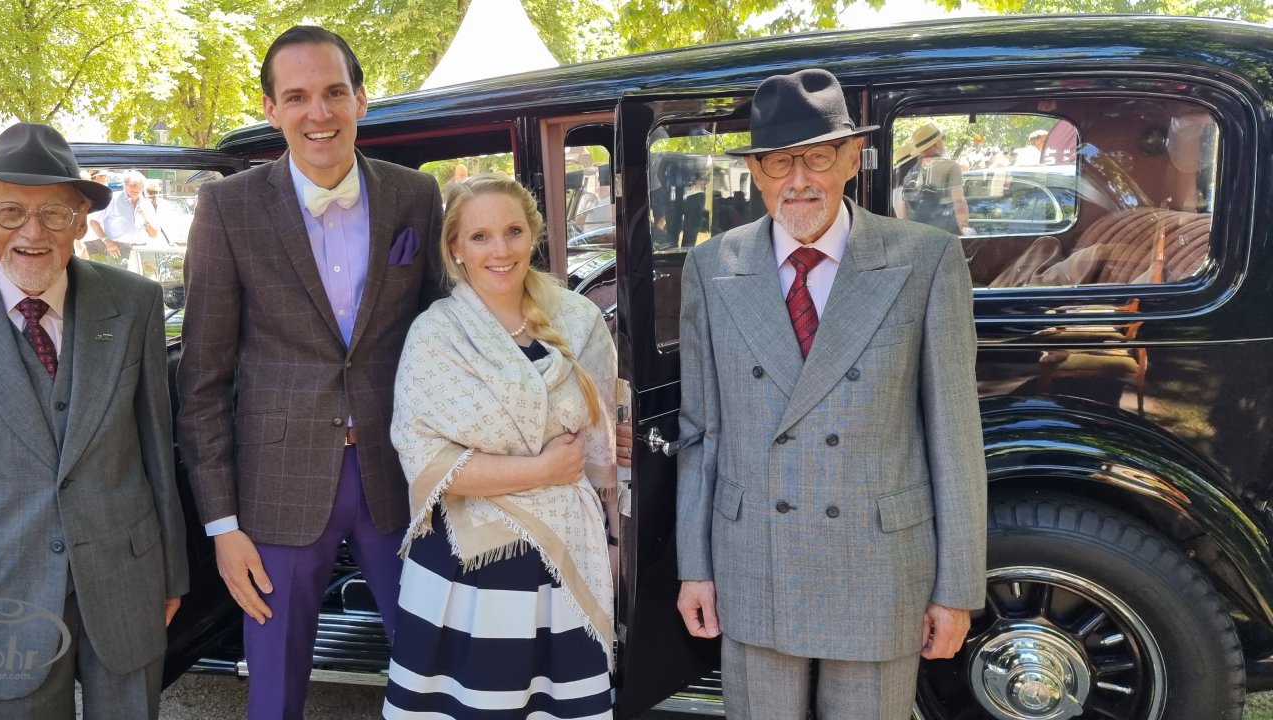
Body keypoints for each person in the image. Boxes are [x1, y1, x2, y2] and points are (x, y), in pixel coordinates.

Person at [675, 68, 986, 719]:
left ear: (851, 157)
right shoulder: (711, 265)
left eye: (818, 157)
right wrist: (693, 566)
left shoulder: (925, 259)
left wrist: (957, 589)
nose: (799, 180)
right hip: (753, 560)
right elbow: (701, 431)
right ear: (755, 170)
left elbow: (955, 436)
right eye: (779, 161)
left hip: (878, 566)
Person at [176, 25, 446, 719]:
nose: (318, 113)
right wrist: (222, 525)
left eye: (333, 92)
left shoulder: (416, 195)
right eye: (296, 97)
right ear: (271, 109)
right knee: (273, 689)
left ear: (361, 98)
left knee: (436, 665)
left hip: (399, 472)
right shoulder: (228, 207)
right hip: (276, 487)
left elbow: (441, 338)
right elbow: (203, 380)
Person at [0, 122, 189, 719]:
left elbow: (156, 446)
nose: (32, 232)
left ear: (82, 221)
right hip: (0, 595)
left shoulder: (135, 302)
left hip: (126, 578)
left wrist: (171, 572)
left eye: (54, 213)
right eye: (10, 211)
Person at [384, 174, 617, 718]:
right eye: (480, 236)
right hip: (468, 566)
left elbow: (601, 443)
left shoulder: (579, 319)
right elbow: (425, 461)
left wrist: (612, 534)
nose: (500, 250)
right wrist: (544, 469)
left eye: (513, 231)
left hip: (566, 554)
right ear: (455, 249)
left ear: (533, 234)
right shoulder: (436, 335)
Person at [895, 122, 971, 236]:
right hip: (946, 235)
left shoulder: (911, 173)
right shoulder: (951, 167)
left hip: (919, 236)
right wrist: (964, 230)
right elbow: (959, 204)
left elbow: (904, 212)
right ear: (937, 143)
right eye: (943, 139)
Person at [88, 170, 159, 260]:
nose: (136, 189)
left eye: (140, 186)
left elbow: (154, 235)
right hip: (117, 249)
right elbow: (93, 222)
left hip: (142, 250)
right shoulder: (112, 199)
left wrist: (145, 220)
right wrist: (107, 241)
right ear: (125, 184)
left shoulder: (146, 204)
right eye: (132, 185)